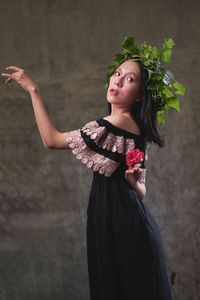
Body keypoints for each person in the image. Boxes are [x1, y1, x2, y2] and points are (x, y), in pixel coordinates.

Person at [2, 37, 184, 300]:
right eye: (118, 73)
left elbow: (51, 140)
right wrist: (133, 182)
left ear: (141, 94)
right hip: (130, 223)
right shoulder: (136, 129)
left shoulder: (113, 123)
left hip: (119, 226)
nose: (118, 80)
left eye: (130, 79)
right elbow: (141, 192)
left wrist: (33, 90)